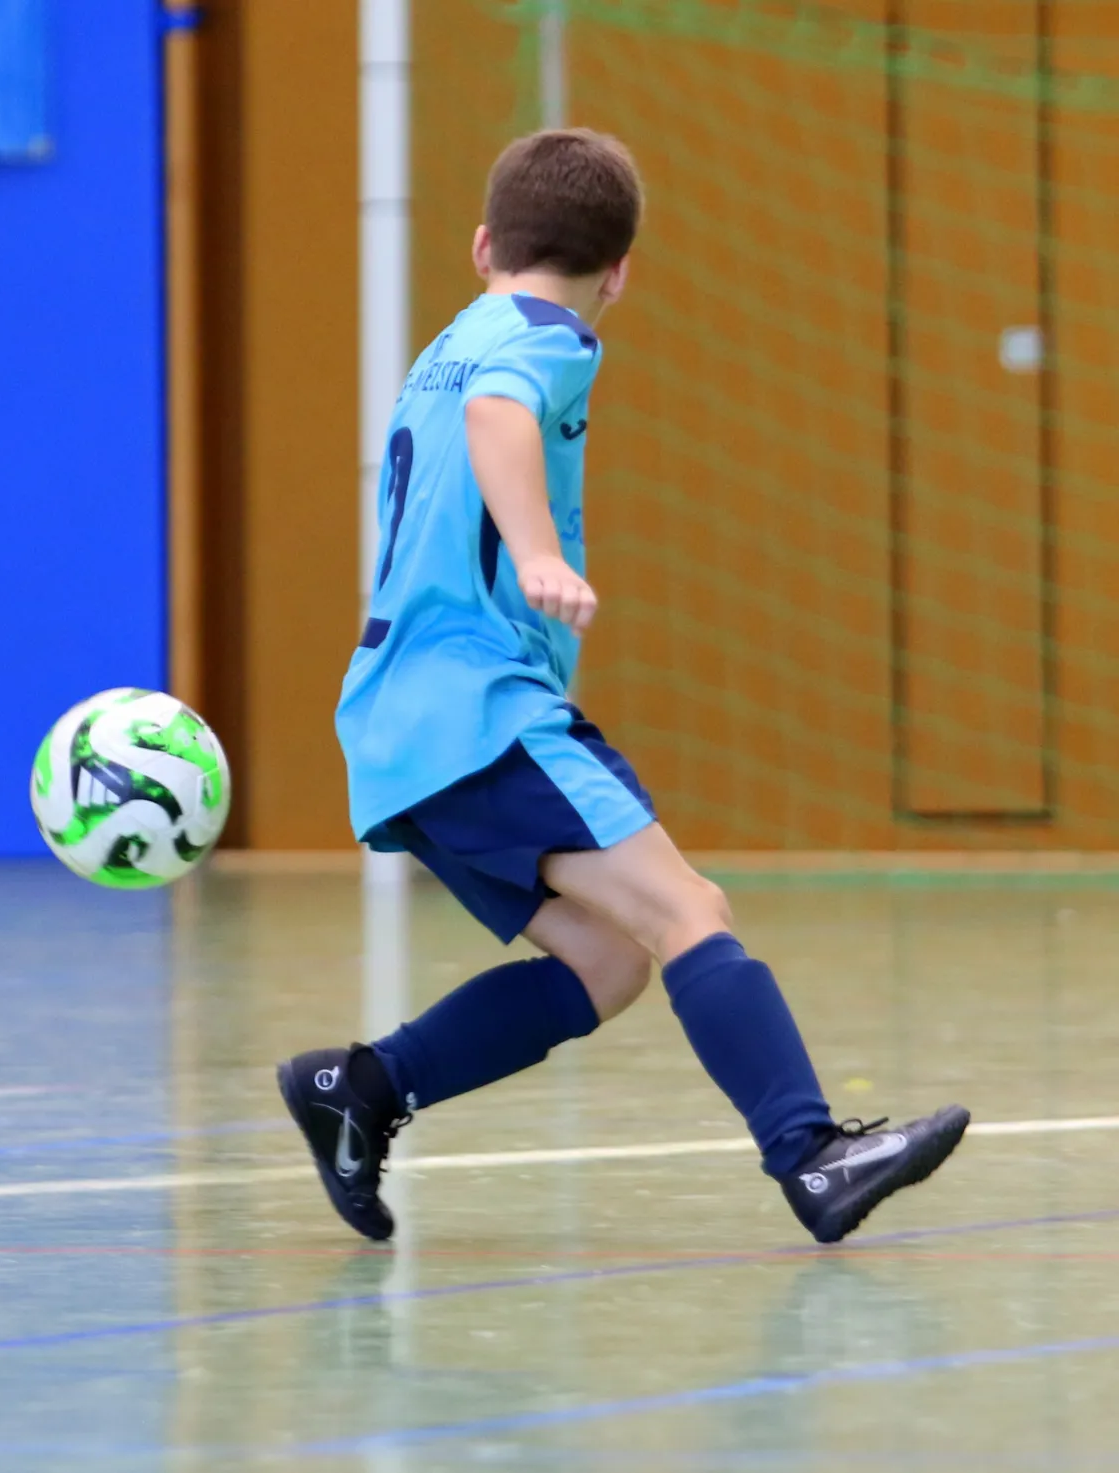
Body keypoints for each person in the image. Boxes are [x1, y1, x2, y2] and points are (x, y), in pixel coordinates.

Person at [278, 129, 967, 1246]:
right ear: (620, 274)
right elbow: (497, 416)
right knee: (688, 912)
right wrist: (537, 553)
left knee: (606, 963)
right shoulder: (547, 336)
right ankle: (810, 1156)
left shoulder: (446, 340)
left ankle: (358, 1087)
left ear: (481, 246)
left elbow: (469, 408)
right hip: (480, 713)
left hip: (396, 723)